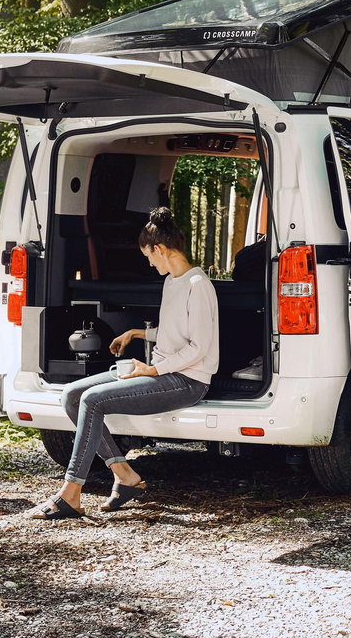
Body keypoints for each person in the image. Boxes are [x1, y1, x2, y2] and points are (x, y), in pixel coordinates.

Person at [28, 208, 219, 519]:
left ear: (159, 249)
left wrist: (152, 370)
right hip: (163, 371)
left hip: (187, 382)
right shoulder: (173, 281)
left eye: (149, 256)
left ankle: (70, 493)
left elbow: (200, 348)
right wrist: (137, 333)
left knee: (92, 400)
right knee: (72, 396)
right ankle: (124, 475)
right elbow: (175, 333)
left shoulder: (198, 285)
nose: (149, 263)